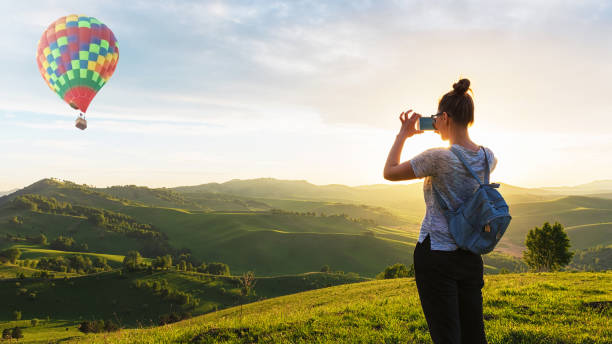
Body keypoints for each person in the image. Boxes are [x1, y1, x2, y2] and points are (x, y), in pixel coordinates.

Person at [383, 78, 496, 344]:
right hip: (470, 254)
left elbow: (389, 172)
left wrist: (403, 135)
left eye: (436, 118)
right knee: (474, 336)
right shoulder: (488, 157)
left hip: (436, 256)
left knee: (446, 336)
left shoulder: (437, 157)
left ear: (444, 117)